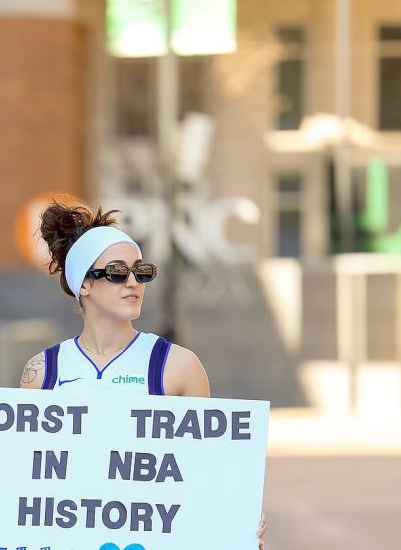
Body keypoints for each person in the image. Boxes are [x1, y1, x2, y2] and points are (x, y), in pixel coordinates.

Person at [19, 197, 266, 547]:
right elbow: (19, 483)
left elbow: (206, 475)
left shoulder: (178, 366)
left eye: (142, 271)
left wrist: (236, 523)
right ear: (83, 285)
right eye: (118, 272)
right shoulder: (42, 371)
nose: (133, 282)